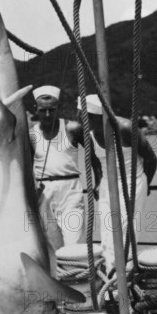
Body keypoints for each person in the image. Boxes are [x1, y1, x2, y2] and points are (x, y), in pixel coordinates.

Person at [77, 94, 157, 272]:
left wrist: (146, 185)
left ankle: (127, 277)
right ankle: (111, 279)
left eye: (81, 115)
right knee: (107, 235)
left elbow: (151, 158)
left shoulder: (125, 128)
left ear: (93, 116)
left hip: (133, 182)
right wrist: (98, 181)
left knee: (127, 233)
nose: (78, 120)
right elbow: (96, 161)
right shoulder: (89, 134)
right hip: (107, 184)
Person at [29, 86, 102, 260]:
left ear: (59, 108)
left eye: (52, 110)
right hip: (43, 193)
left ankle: (79, 282)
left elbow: (94, 159)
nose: (47, 115)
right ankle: (59, 283)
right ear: (35, 109)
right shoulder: (31, 134)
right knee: (52, 248)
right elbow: (27, 166)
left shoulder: (73, 128)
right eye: (42, 110)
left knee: (73, 244)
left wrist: (98, 183)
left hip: (70, 192)